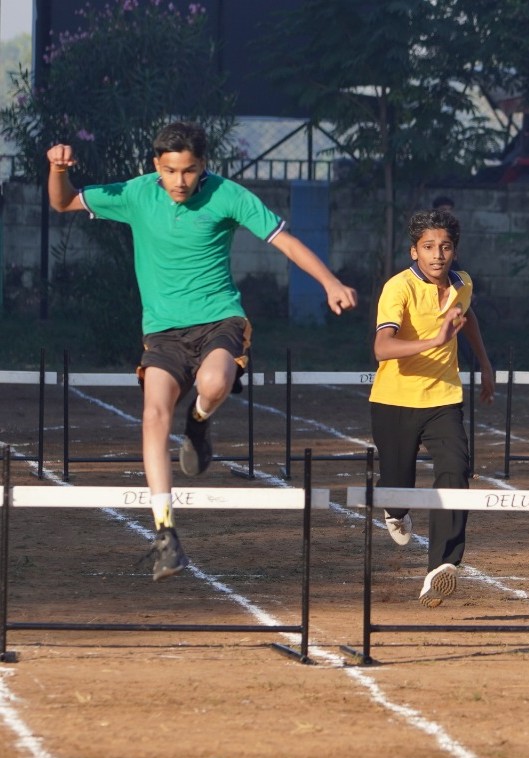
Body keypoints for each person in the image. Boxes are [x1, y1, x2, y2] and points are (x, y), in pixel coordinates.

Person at [45, 122, 358, 581]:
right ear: (156, 166)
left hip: (219, 321)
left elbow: (285, 241)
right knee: (153, 414)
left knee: (213, 383)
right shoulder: (136, 194)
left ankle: (198, 421)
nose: (180, 181)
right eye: (170, 171)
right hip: (162, 333)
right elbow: (63, 201)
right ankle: (165, 534)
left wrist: (329, 282)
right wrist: (57, 170)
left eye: (189, 171)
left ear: (203, 166)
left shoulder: (227, 195)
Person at [369, 209, 495, 607]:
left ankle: (442, 566)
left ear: (454, 251)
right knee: (397, 486)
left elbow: (467, 317)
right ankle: (395, 510)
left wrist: (485, 363)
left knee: (455, 470)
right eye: (428, 247)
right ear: (414, 251)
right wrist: (435, 341)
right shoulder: (398, 288)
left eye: (445, 247)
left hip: (444, 398)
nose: (437, 255)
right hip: (394, 400)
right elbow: (382, 347)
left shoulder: (462, 283)